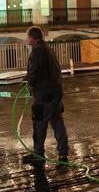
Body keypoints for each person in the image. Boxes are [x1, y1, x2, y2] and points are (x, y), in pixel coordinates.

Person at [22, 27, 69, 165]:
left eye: (28, 37)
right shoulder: (48, 49)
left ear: (32, 37)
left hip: (44, 93)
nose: (28, 39)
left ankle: (38, 154)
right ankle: (63, 153)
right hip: (55, 92)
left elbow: (34, 72)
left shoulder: (37, 52)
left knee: (39, 123)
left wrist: (29, 83)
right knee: (57, 122)